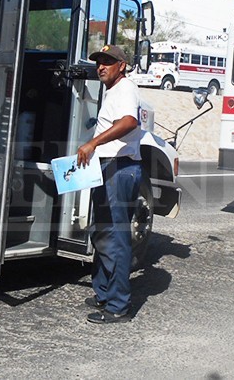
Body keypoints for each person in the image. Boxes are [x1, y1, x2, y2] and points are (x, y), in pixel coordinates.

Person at [76, 44, 143, 324]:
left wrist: (93, 142)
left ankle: (117, 306)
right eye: (99, 62)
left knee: (115, 238)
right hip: (108, 168)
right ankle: (104, 292)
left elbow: (129, 121)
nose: (101, 66)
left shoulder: (125, 88)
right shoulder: (113, 91)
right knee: (101, 232)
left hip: (120, 169)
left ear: (122, 65)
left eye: (108, 61)